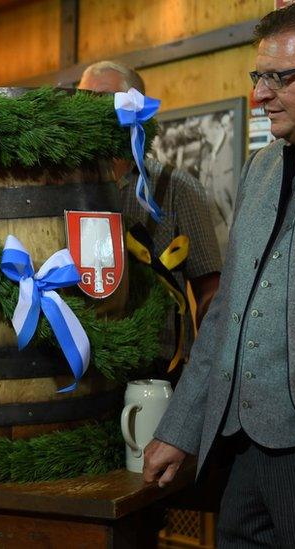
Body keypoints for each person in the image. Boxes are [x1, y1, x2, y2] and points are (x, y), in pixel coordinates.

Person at [143, 1, 295, 546]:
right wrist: (181, 429)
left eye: (279, 77)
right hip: (238, 452)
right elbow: (229, 314)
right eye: (259, 77)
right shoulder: (262, 166)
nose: (260, 95)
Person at [78, 61, 222, 368]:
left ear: (135, 109)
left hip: (160, 369)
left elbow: (211, 292)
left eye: (104, 99)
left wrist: (205, 370)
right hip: (90, 368)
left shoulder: (178, 189)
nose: (89, 110)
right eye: (82, 100)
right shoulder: (69, 188)